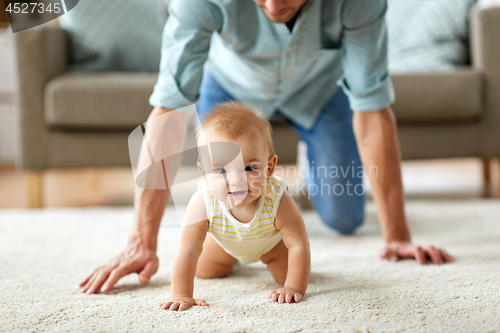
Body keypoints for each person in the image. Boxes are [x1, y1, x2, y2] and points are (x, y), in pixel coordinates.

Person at [80, 0, 454, 295]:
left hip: (320, 92)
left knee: (345, 219)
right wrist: (141, 242)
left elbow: (372, 112)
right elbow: (168, 112)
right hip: (230, 91)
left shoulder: (359, 3)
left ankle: (311, 159)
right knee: (222, 194)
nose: (274, 6)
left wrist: (399, 236)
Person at [160, 102, 310, 311]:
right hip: (224, 245)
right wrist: (182, 295)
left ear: (269, 168)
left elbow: (298, 245)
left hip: (270, 247)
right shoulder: (203, 201)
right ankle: (230, 258)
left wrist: (294, 287)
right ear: (204, 173)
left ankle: (278, 268)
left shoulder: (278, 198)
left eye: (249, 168)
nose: (236, 181)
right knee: (203, 271)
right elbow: (187, 250)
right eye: (221, 171)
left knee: (290, 275)